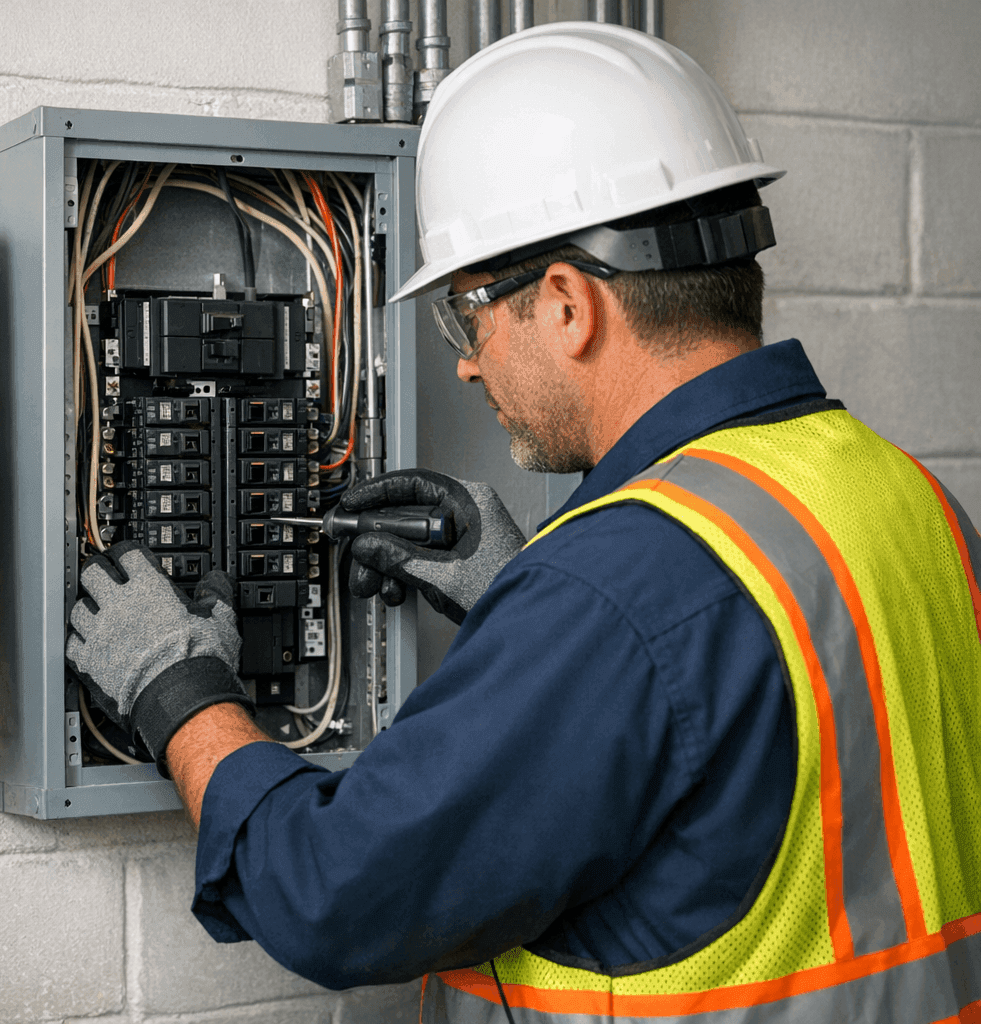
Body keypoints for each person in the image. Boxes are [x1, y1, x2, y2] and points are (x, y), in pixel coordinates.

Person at [65, 22, 981, 1022]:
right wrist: (529, 608)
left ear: (567, 304)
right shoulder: (911, 498)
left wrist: (179, 687)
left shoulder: (619, 587)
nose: (465, 361)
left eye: (469, 316)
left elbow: (331, 892)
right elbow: (764, 762)